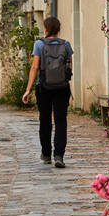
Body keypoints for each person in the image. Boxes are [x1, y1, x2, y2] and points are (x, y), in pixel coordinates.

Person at [22, 16, 73, 168]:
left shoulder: (39, 44)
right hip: (62, 87)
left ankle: (46, 154)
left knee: (45, 121)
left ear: (45, 28)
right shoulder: (66, 44)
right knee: (61, 121)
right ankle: (59, 155)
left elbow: (35, 67)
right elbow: (69, 66)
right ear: (58, 29)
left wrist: (28, 89)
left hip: (43, 87)